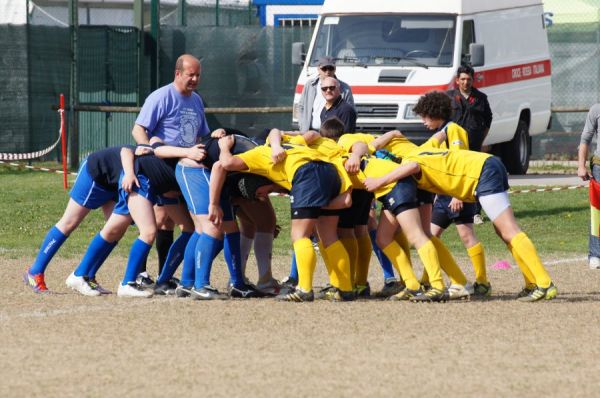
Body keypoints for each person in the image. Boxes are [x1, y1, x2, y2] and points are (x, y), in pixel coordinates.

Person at [363, 91, 557, 302]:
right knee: (503, 232)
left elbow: (414, 164)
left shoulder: (413, 156)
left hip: (479, 173)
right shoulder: (428, 144)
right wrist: (393, 134)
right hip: (485, 167)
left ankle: (545, 283)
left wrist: (379, 181)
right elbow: (435, 140)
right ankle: (532, 283)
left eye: (423, 116)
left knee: (509, 230)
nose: (422, 121)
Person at [209, 135, 355, 302]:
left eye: (258, 193)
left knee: (299, 235)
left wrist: (224, 147)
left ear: (258, 182)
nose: (263, 197)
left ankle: (304, 289)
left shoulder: (259, 153)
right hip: (330, 171)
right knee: (328, 236)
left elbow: (226, 163)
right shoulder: (290, 145)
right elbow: (279, 132)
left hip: (306, 172)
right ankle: (344, 288)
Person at [23, 145, 151, 293]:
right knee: (69, 222)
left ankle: (87, 277)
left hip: (113, 182)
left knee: (116, 230)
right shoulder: (155, 154)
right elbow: (126, 149)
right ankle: (35, 272)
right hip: (97, 172)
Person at [297, 56, 354, 132]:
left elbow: (350, 112)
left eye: (330, 68)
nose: (327, 72)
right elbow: (301, 106)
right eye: (324, 68)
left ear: (335, 69)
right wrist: (302, 126)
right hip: (310, 131)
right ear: (318, 69)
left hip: (333, 135)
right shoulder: (310, 85)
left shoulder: (345, 88)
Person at [447, 65, 493, 153]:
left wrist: (481, 139)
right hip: (454, 143)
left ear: (473, 80)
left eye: (469, 79)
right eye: (463, 79)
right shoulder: (449, 97)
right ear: (457, 80)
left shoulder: (481, 98)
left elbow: (488, 119)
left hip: (473, 144)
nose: (466, 82)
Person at [577, 103, 600, 269]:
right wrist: (581, 166)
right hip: (599, 166)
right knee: (597, 213)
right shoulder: (596, 110)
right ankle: (595, 255)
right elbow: (585, 139)